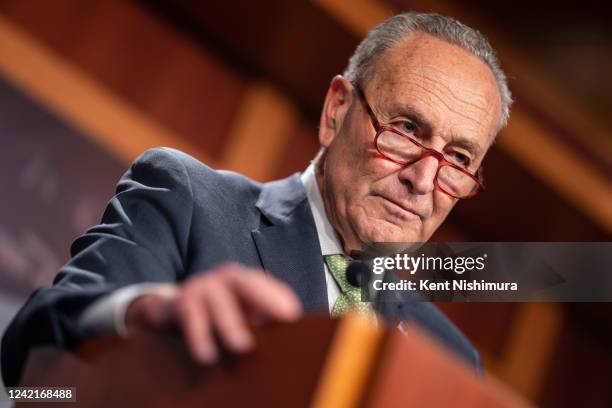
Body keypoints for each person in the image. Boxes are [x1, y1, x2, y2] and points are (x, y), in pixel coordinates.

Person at [1, 12, 512, 386]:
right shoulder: (189, 201)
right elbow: (29, 355)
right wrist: (144, 318)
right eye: (405, 128)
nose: (424, 179)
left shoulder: (449, 358)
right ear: (336, 111)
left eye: (460, 159)